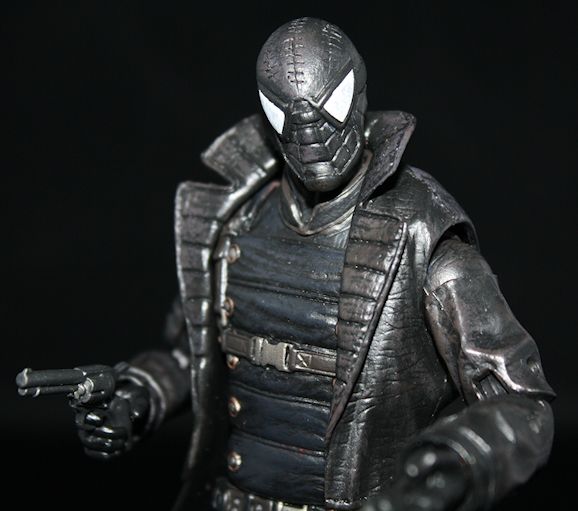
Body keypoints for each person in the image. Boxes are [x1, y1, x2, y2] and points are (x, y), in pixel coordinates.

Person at [19, 18, 554, 511]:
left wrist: (453, 463)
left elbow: (521, 403)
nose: (311, 134)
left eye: (329, 105)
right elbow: (194, 354)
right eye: (287, 114)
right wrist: (137, 398)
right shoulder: (237, 218)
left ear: (358, 96)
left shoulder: (420, 232)